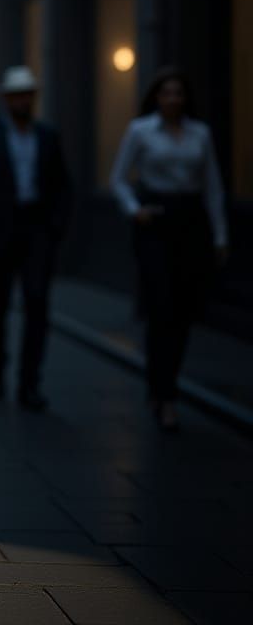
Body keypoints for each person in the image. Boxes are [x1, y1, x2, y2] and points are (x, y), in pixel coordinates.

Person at [109, 65, 228, 432]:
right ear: (156, 97)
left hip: (190, 223)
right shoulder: (140, 130)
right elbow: (118, 179)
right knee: (161, 306)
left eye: (179, 93)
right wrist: (135, 210)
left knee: (183, 310)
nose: (173, 99)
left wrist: (220, 236)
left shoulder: (201, 134)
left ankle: (165, 384)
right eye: (167, 92)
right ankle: (163, 392)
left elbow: (212, 187)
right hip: (155, 222)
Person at [0, 65, 73, 411]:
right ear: (6, 99)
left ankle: (29, 383)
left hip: (37, 230)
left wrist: (56, 227)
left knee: (37, 304)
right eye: (16, 95)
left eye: (27, 94)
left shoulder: (48, 135)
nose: (22, 100)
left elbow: (62, 184)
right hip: (0, 230)